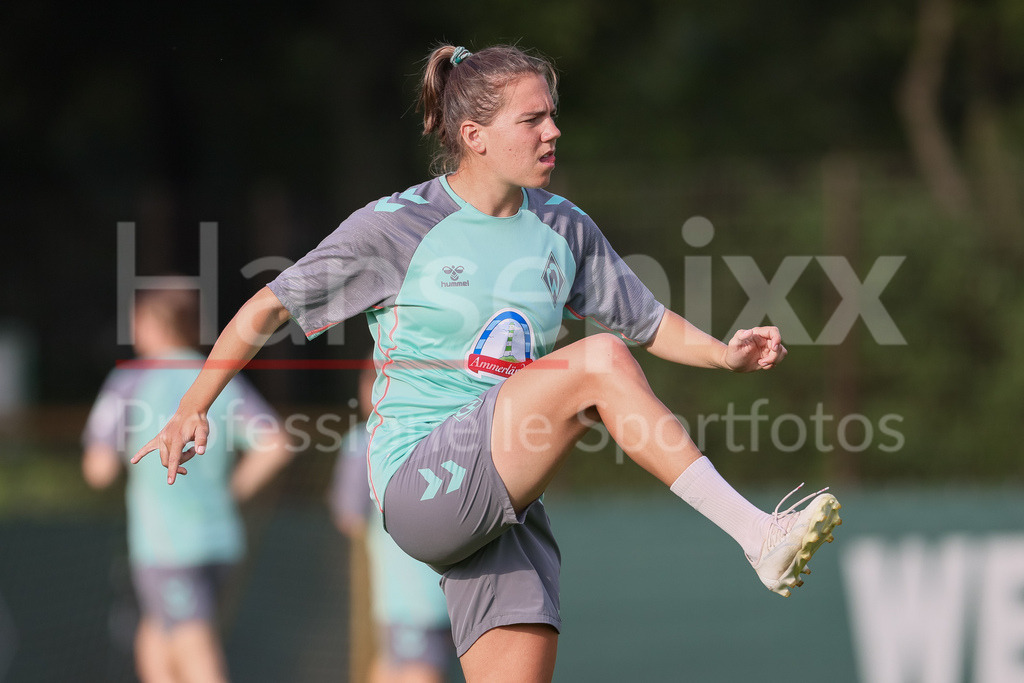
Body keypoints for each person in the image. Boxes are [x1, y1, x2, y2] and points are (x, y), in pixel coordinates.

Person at [131, 44, 843, 682]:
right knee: (597, 359)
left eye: (552, 116)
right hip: (421, 478)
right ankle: (757, 534)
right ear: (472, 136)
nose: (552, 131)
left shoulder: (564, 226)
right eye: (531, 119)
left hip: (505, 499)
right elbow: (269, 308)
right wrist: (194, 403)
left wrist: (724, 353)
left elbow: (649, 321)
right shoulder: (398, 225)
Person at [83, 287, 293, 683]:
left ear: (153, 323)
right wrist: (229, 494)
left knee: (194, 647)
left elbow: (99, 470)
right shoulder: (214, 379)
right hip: (221, 539)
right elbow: (276, 445)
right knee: (156, 633)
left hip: (167, 546)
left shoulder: (131, 379)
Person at [329, 361, 456, 683]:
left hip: (408, 596)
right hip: (456, 591)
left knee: (412, 670)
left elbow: (350, 518)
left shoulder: (365, 442)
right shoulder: (451, 434)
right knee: (391, 665)